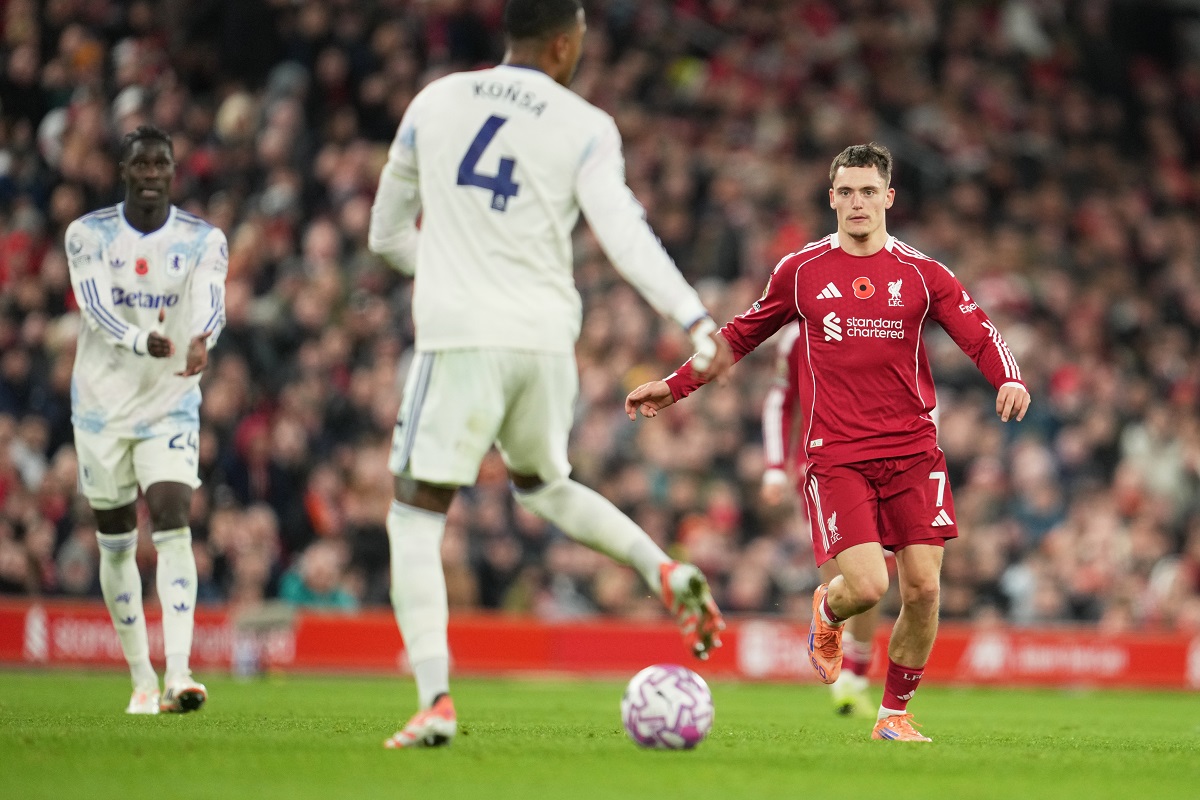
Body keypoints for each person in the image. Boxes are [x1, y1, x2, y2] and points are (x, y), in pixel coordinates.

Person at [368, 0, 733, 749]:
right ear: (566, 44)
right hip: (544, 339)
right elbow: (624, 232)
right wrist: (694, 319)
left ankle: (435, 698)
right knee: (545, 485)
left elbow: (384, 236)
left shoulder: (433, 102)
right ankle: (659, 568)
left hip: (461, 337)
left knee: (415, 512)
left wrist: (445, 268)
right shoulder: (585, 125)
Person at [627, 142, 1030, 742]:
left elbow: (978, 331)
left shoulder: (923, 273)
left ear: (889, 197)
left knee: (923, 588)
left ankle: (893, 716)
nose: (858, 202)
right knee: (869, 587)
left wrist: (1009, 377)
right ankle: (828, 607)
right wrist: (675, 385)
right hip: (838, 455)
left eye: (869, 191)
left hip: (915, 453)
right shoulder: (802, 270)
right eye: (846, 191)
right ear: (832, 197)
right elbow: (739, 336)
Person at [66, 124, 227, 714]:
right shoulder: (88, 234)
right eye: (143, 165)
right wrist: (140, 341)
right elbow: (93, 303)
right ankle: (140, 677)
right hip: (102, 409)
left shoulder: (204, 239)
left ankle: (180, 673)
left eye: (163, 164)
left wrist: (205, 336)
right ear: (124, 171)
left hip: (169, 403)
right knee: (115, 544)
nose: (153, 174)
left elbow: (212, 296)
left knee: (173, 517)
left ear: (173, 172)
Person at [760, 320, 880, 717]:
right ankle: (843, 667)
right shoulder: (798, 335)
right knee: (843, 572)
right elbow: (780, 398)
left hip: (883, 462)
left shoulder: (875, 320)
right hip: (821, 465)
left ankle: (856, 674)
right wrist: (775, 467)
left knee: (877, 577)